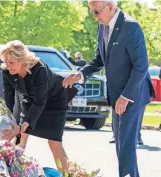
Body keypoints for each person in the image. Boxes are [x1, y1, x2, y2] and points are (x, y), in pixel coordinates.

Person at [62, 1, 155, 177]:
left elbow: (141, 66)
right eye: (92, 12)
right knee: (121, 145)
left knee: (126, 146)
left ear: (111, 7)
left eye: (96, 12)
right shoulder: (103, 26)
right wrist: (80, 75)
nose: (94, 16)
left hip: (132, 94)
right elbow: (99, 60)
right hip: (116, 94)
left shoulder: (131, 27)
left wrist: (126, 96)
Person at [0, 40, 78, 173]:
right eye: (5, 62)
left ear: (22, 59)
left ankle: (68, 175)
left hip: (54, 102)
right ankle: (13, 173)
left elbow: (40, 101)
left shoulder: (39, 69)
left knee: (54, 143)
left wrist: (24, 124)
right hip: (30, 100)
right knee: (21, 137)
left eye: (11, 62)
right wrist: (9, 121)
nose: (8, 66)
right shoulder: (7, 71)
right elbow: (9, 99)